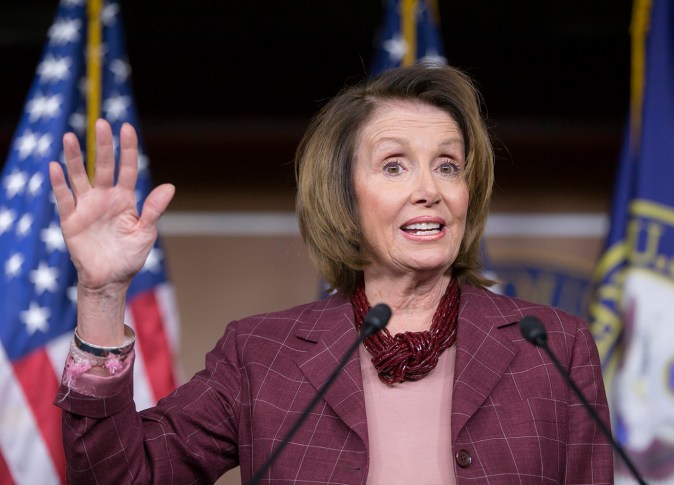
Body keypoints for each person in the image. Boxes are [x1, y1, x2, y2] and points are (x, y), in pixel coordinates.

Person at [52, 64, 614, 484]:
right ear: (344, 197)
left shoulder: (554, 348)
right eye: (394, 165)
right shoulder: (261, 354)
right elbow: (121, 477)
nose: (430, 190)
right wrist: (101, 295)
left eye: (448, 165)